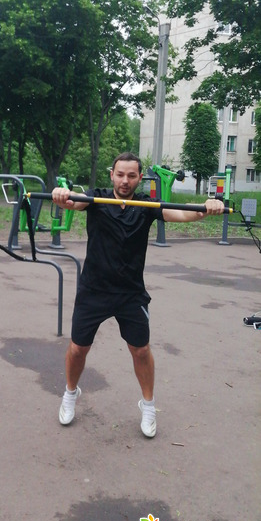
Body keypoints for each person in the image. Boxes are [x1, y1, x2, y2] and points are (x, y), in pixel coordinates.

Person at [52, 152, 225, 438]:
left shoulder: (145, 205)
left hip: (130, 293)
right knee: (78, 349)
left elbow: (182, 214)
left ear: (140, 178)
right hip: (93, 290)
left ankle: (148, 405)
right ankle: (70, 393)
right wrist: (62, 196)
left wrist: (206, 208)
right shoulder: (97, 198)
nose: (125, 180)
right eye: (120, 174)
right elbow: (73, 202)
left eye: (131, 176)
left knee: (141, 351)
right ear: (112, 175)